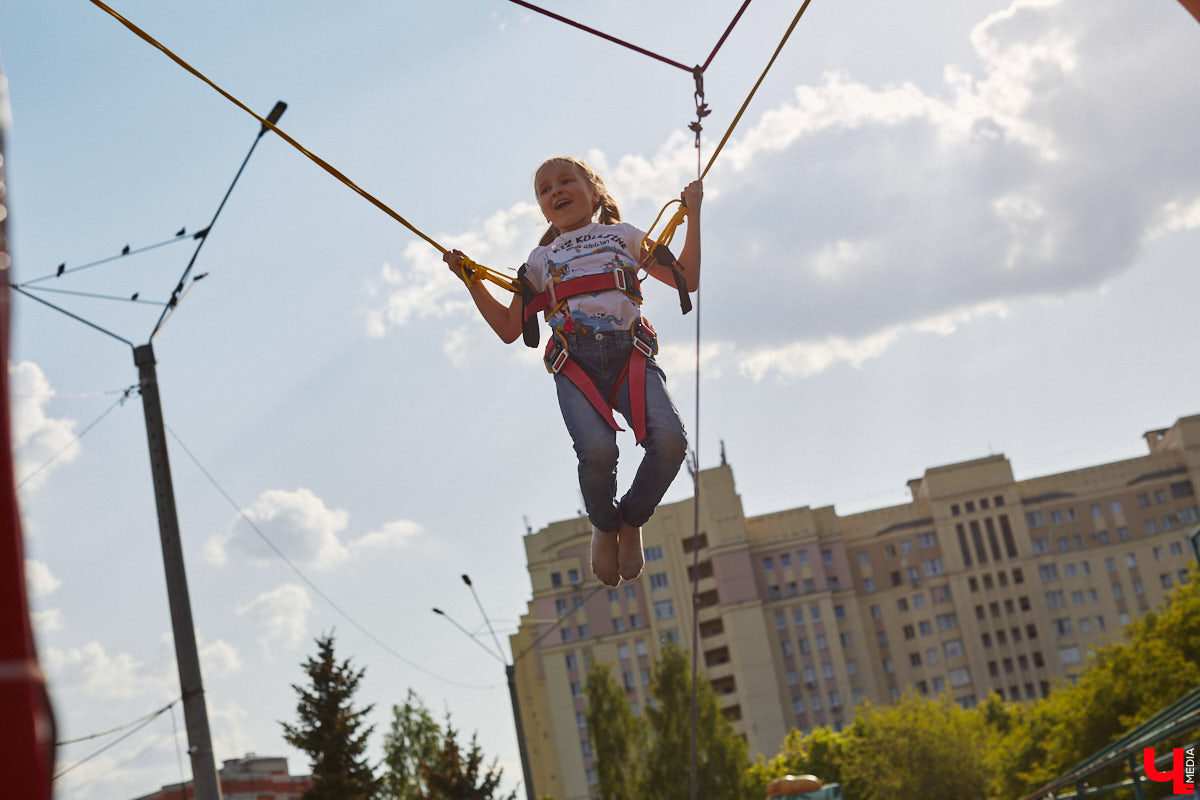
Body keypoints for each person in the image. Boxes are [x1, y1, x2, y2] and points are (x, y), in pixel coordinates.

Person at [444, 156, 701, 587]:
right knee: (598, 452)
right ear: (543, 209)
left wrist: (692, 215)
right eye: (545, 190)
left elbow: (686, 279)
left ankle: (631, 518)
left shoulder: (623, 236)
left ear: (595, 192)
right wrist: (472, 281)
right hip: (575, 362)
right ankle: (604, 524)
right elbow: (510, 329)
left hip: (630, 355)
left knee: (671, 441)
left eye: (566, 181)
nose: (555, 191)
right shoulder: (541, 259)